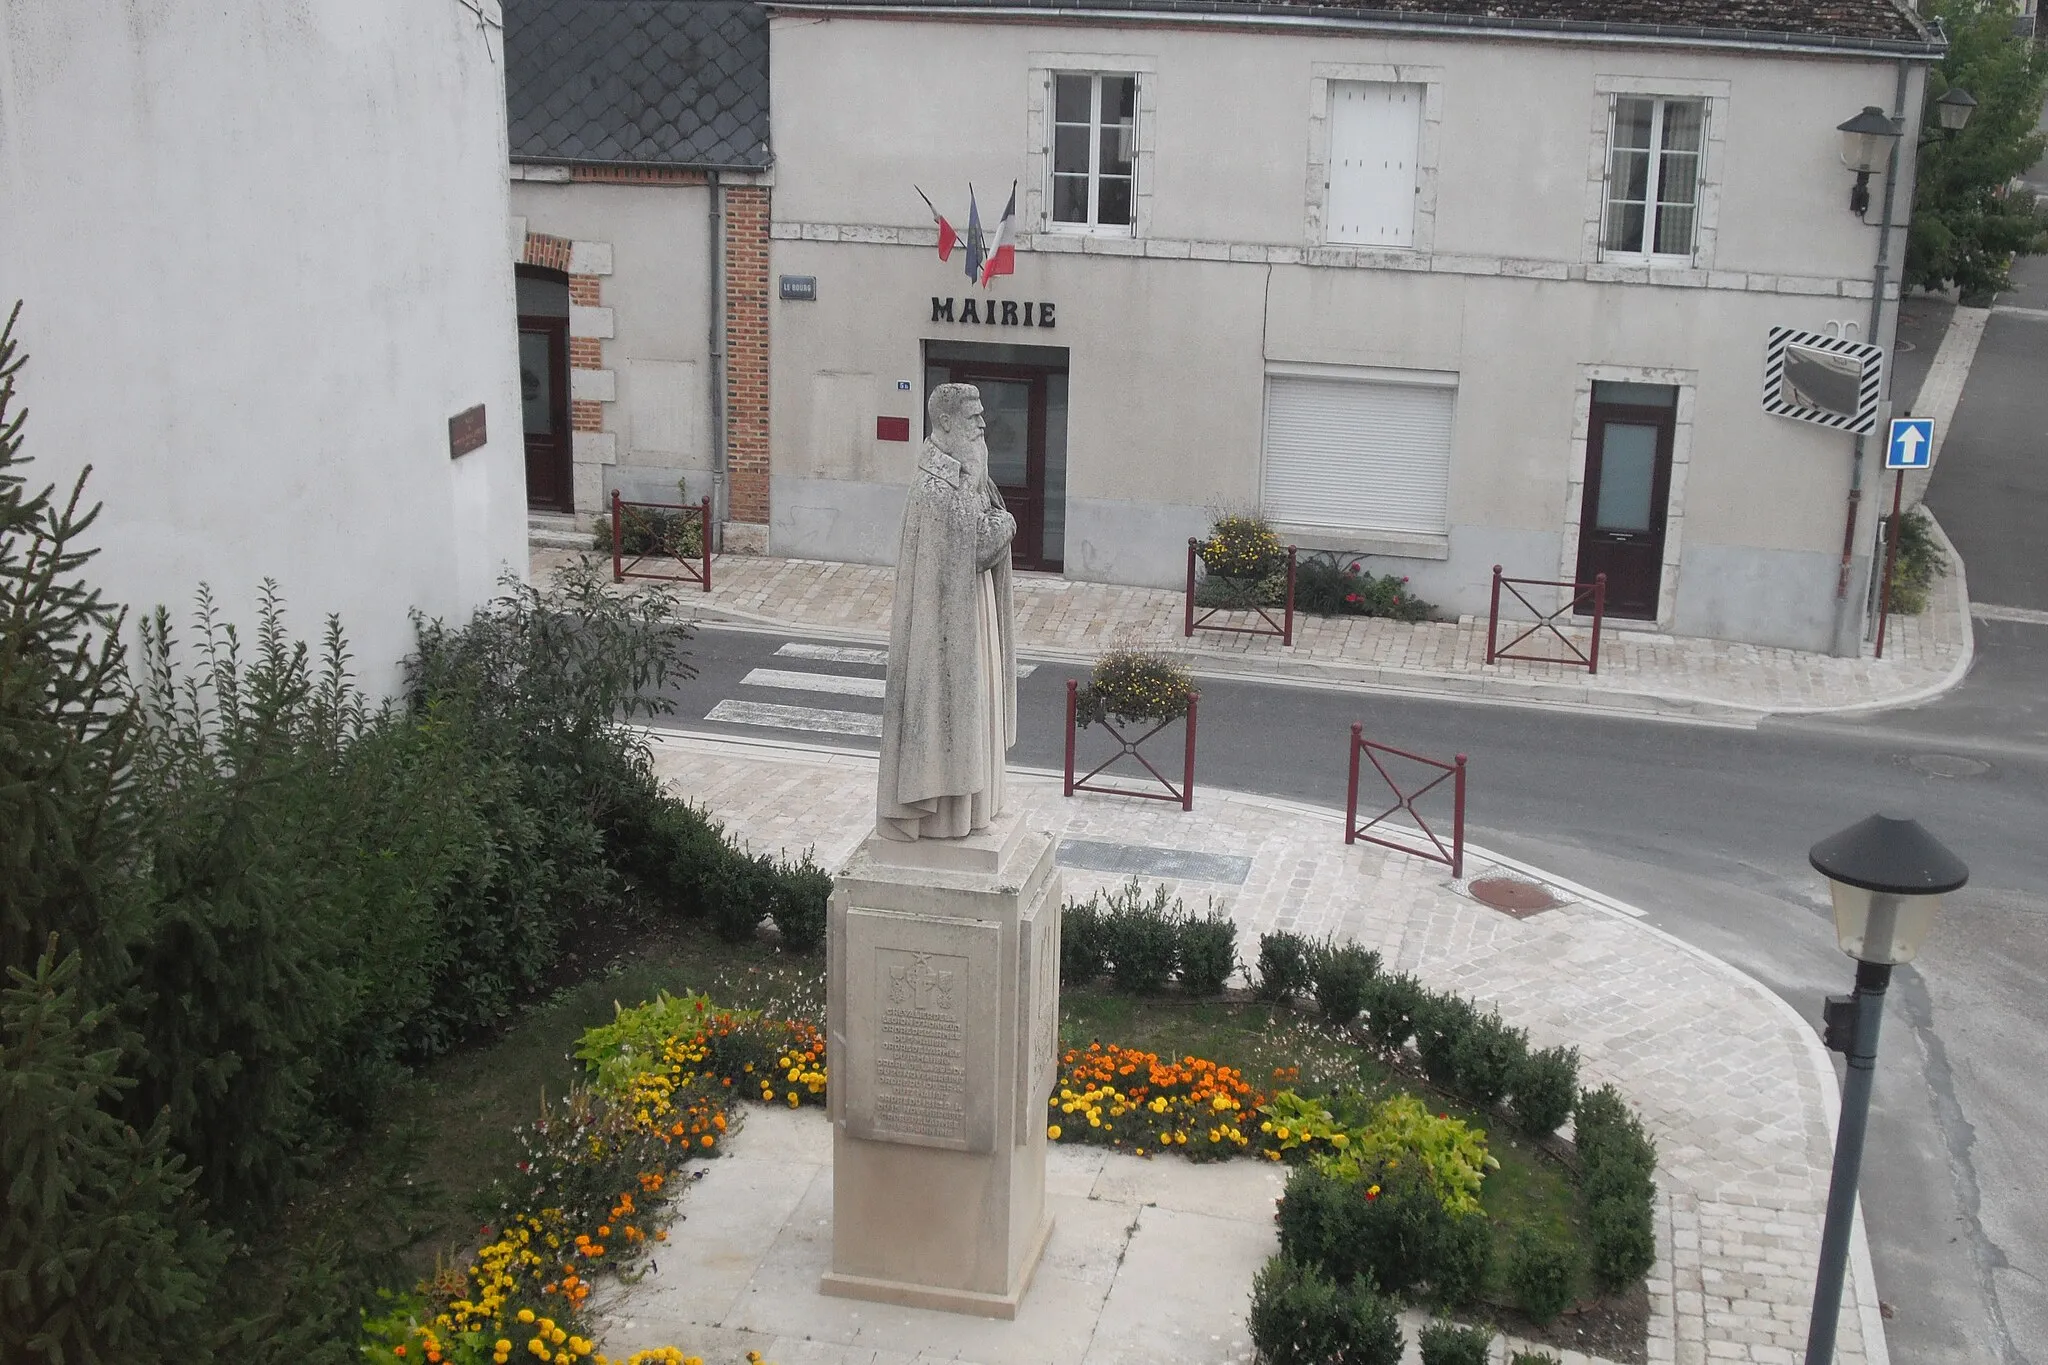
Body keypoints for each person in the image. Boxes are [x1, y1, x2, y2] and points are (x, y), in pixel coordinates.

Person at [875, 383, 1017, 840]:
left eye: (982, 415)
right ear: (948, 422)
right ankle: (948, 816)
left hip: (971, 614)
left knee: (978, 705)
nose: (982, 424)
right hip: (950, 631)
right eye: (973, 416)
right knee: (953, 710)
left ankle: (973, 811)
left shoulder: (968, 474)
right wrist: (1007, 522)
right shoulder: (938, 487)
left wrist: (996, 521)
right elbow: (979, 545)